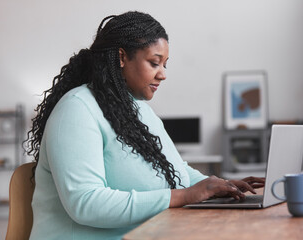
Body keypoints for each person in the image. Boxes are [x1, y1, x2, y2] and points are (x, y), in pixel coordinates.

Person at [25, 11, 265, 240]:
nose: (163, 74)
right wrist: (185, 195)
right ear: (121, 57)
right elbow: (85, 204)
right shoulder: (77, 109)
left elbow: (177, 168)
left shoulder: (140, 111)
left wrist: (215, 185)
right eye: (154, 63)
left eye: (165, 65)